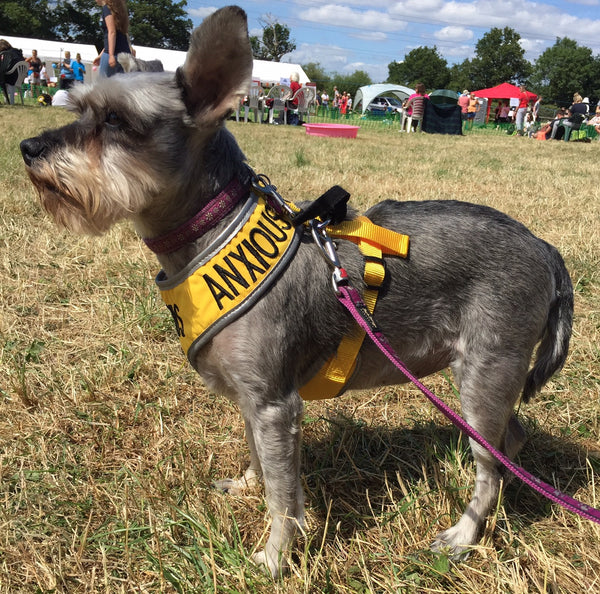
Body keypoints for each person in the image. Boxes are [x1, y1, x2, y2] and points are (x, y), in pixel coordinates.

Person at [94, 0, 132, 77]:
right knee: (123, 85)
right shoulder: (119, 10)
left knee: (104, 85)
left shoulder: (107, 8)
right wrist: (101, 55)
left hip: (113, 54)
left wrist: (111, 55)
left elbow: (112, 32)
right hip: (125, 53)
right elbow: (116, 36)